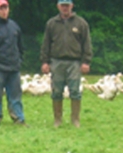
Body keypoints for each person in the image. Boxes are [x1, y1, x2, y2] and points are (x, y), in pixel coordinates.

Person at [40, 0, 93, 128]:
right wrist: (44, 61)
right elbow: (46, 44)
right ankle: (57, 120)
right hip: (56, 61)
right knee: (56, 91)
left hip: (74, 62)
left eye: (67, 5)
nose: (65, 8)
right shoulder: (51, 23)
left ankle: (75, 120)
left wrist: (86, 61)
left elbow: (87, 44)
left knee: (75, 91)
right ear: (58, 6)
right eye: (62, 5)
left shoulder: (81, 23)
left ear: (72, 6)